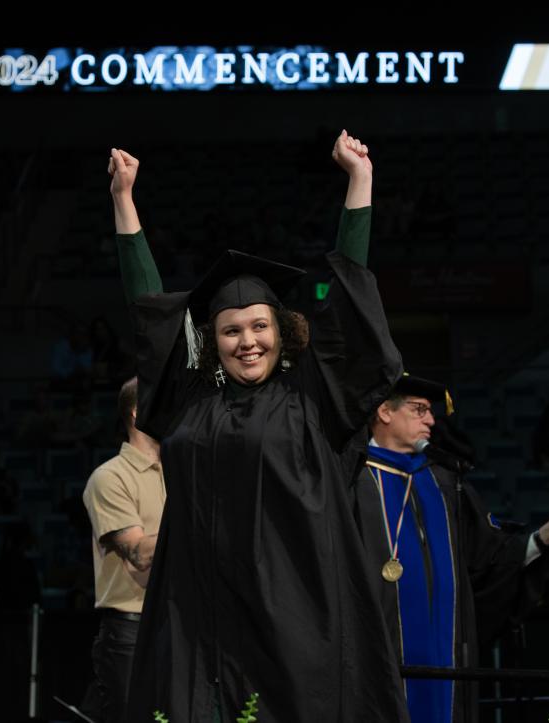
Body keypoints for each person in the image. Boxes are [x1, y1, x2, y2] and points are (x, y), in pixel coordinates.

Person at [111, 131, 409, 723]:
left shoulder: (312, 397)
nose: (247, 342)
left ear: (281, 329)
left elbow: (350, 291)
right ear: (213, 342)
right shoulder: (192, 399)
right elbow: (149, 309)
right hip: (203, 611)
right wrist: (124, 199)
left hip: (297, 610)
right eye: (230, 331)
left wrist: (359, 181)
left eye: (259, 327)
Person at [354, 374, 549, 723]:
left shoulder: (444, 482)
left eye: (430, 412)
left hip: (446, 656)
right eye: (420, 410)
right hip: (375, 659)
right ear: (385, 412)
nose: (431, 420)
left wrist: (541, 539)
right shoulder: (351, 482)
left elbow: (486, 560)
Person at [81, 377, 165, 723]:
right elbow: (138, 553)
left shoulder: (181, 470)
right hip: (132, 631)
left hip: (183, 624)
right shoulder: (110, 477)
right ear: (136, 411)